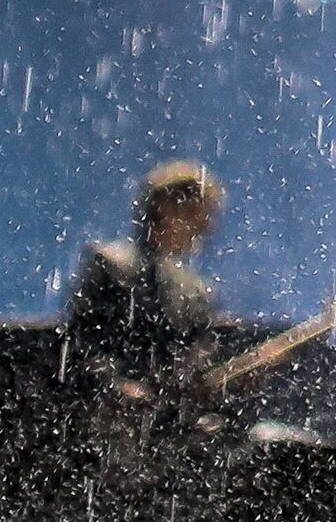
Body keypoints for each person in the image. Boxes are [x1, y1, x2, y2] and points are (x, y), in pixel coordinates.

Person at [63, 158, 231, 399]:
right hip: (110, 417)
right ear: (167, 208)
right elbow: (80, 345)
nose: (206, 228)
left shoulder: (197, 293)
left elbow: (199, 363)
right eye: (199, 214)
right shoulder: (111, 265)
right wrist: (116, 388)